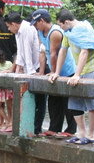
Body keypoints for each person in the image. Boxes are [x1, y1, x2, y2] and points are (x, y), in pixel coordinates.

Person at [48, 9, 94, 145]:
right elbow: (62, 51)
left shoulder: (84, 28)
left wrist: (77, 75)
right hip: (77, 71)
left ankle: (91, 135)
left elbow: (85, 51)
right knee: (74, 102)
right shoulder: (68, 33)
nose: (60, 28)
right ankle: (82, 132)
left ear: (66, 22)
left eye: (61, 25)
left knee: (92, 104)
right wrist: (56, 72)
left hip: (92, 69)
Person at [31, 9, 76, 138]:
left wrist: (54, 72)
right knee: (54, 100)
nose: (35, 26)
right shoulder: (40, 31)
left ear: (42, 21)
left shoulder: (55, 32)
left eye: (36, 23)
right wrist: (41, 72)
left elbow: (54, 53)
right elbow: (42, 52)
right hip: (54, 69)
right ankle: (54, 127)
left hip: (67, 70)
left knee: (68, 101)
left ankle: (71, 129)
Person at [5, 12, 42, 134]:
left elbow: (27, 51)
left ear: (14, 24)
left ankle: (34, 128)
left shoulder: (26, 29)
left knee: (36, 101)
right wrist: (18, 68)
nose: (9, 29)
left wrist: (30, 72)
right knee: (22, 98)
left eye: (9, 27)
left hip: (34, 68)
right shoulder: (18, 32)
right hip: (26, 68)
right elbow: (20, 51)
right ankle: (22, 124)